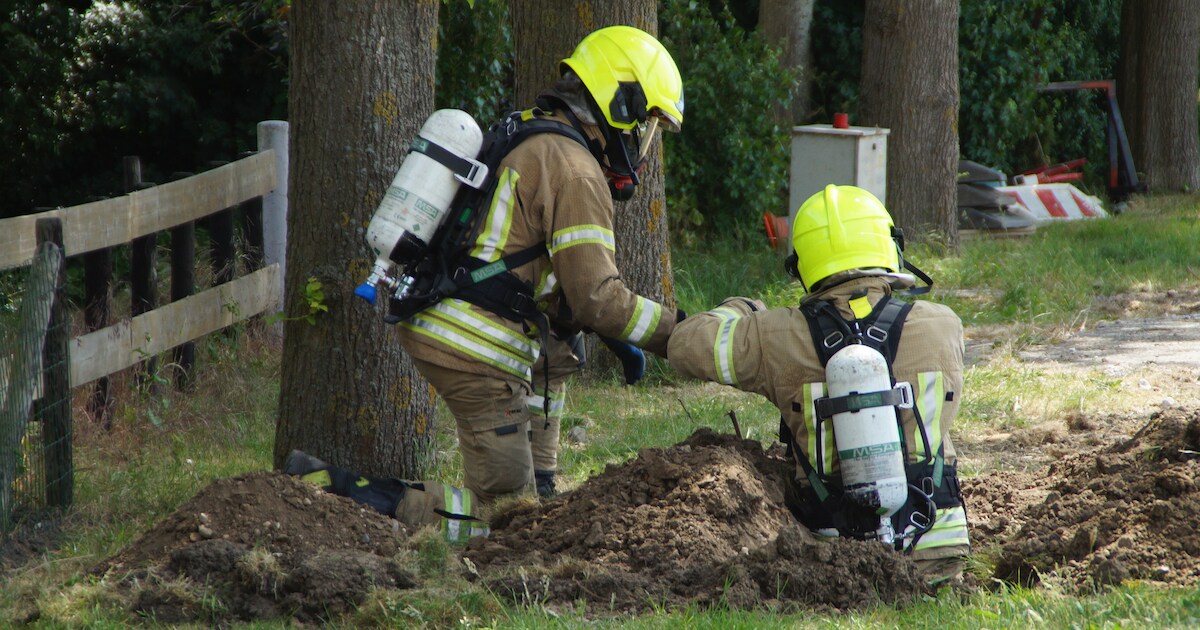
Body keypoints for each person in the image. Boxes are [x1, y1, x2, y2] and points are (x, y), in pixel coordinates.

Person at [289, 25, 687, 538]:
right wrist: (679, 333)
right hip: (472, 344)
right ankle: (345, 493)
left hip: (450, 308)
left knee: (560, 357)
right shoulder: (578, 172)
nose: (641, 141)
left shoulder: (531, 132)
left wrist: (599, 325)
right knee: (503, 508)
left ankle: (542, 489)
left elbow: (565, 292)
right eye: (645, 122)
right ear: (621, 102)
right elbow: (597, 298)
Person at [666, 185, 970, 582]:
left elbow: (683, 345)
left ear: (803, 264)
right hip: (936, 547)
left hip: (831, 563)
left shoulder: (774, 335)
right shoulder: (943, 324)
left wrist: (744, 309)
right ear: (888, 245)